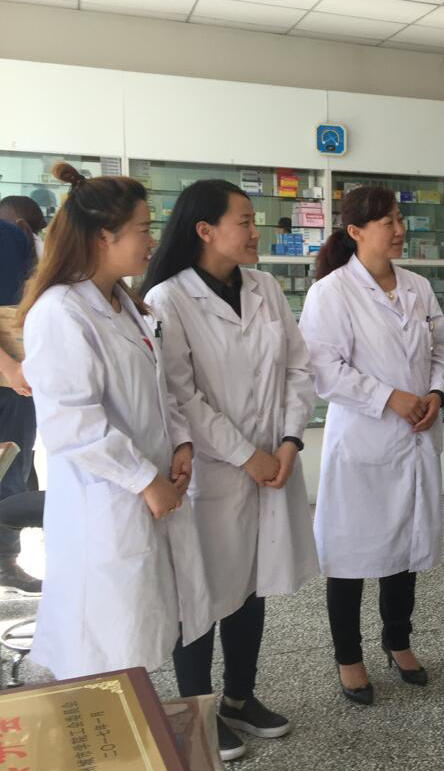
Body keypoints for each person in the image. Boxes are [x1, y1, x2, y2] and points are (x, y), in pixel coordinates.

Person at [141, 180, 319, 762]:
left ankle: (240, 698)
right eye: (243, 220)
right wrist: (247, 454)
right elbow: (180, 396)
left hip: (273, 463)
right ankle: (196, 712)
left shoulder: (266, 287)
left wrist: (289, 441)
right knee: (201, 594)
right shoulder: (169, 299)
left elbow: (298, 369)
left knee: (251, 585)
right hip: (214, 475)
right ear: (205, 230)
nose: (254, 231)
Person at [18, 162, 201, 679]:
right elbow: (71, 423)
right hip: (105, 505)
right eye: (144, 229)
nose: (152, 241)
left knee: (135, 640)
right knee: (100, 648)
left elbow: (158, 390)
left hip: (144, 495)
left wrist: (181, 443)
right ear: (104, 236)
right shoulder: (60, 312)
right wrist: (145, 480)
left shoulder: (125, 304)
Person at [298, 186, 444, 705]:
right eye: (387, 221)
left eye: (399, 219)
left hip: (415, 437)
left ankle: (398, 641)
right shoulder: (331, 292)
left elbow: (440, 352)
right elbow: (324, 370)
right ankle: (349, 657)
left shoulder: (417, 287)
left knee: (404, 548)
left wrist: (436, 393)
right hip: (364, 442)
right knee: (350, 554)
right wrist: (389, 397)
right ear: (356, 231)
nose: (399, 229)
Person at [0, 219, 40, 595]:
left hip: (16, 380)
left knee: (13, 468)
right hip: (12, 371)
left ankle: (5, 561)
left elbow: (30, 302)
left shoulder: (12, 236)